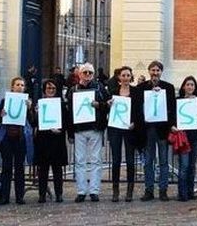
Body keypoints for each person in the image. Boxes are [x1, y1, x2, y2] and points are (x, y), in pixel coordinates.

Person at [66, 62, 110, 203]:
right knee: (79, 161)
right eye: (85, 72)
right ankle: (81, 190)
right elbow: (69, 112)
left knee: (96, 160)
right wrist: (70, 133)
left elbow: (109, 105)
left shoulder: (100, 88)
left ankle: (94, 190)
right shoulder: (73, 90)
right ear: (79, 74)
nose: (87, 75)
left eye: (90, 73)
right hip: (79, 129)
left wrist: (99, 105)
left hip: (95, 128)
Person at [136, 61, 176, 202]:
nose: (155, 73)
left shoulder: (168, 88)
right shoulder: (141, 88)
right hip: (147, 130)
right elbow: (137, 109)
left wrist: (171, 125)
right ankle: (149, 190)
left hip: (162, 129)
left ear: (161, 72)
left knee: (164, 161)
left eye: (157, 70)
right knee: (148, 161)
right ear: (149, 71)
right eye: (153, 70)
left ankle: (163, 190)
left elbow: (172, 108)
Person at [30, 79, 68, 203]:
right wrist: (35, 113)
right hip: (43, 140)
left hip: (57, 140)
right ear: (44, 90)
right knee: (43, 169)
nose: (51, 91)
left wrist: (60, 129)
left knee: (57, 170)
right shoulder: (40, 103)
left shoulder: (61, 104)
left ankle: (59, 194)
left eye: (53, 88)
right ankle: (42, 194)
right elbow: (34, 123)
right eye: (48, 88)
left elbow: (65, 121)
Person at [0, 77, 31, 205]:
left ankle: (19, 196)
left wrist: (30, 109)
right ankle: (4, 196)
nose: (20, 87)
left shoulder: (27, 101)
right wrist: (2, 114)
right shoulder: (5, 101)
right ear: (12, 87)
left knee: (19, 168)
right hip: (7, 137)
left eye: (22, 85)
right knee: (6, 168)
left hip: (20, 138)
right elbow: (0, 119)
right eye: (17, 85)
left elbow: (31, 121)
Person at [107, 66, 139, 202]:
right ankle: (115, 191)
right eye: (123, 75)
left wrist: (135, 123)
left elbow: (139, 111)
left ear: (131, 77)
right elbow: (106, 108)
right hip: (116, 128)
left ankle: (129, 191)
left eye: (128, 75)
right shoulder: (113, 92)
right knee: (116, 160)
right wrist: (108, 104)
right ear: (119, 77)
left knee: (131, 160)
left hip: (130, 129)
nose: (126, 78)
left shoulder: (136, 92)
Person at [173, 76, 197, 201]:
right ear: (184, 86)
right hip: (183, 137)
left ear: (195, 87)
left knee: (192, 166)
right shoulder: (178, 101)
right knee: (184, 166)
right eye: (188, 84)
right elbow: (173, 117)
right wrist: (173, 127)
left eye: (192, 85)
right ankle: (182, 193)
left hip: (195, 137)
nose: (190, 87)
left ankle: (190, 191)